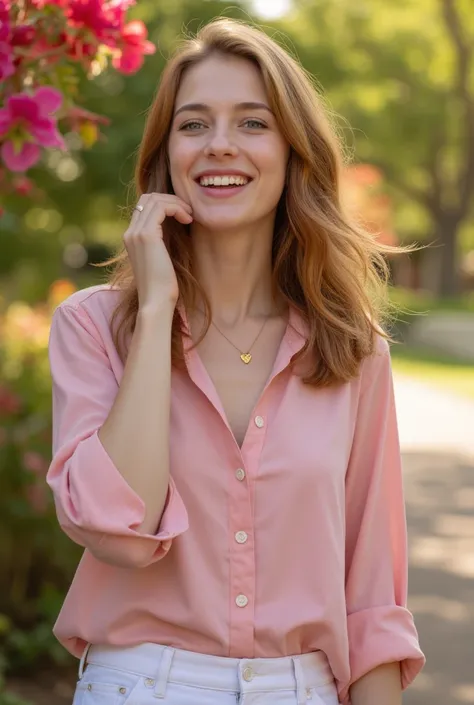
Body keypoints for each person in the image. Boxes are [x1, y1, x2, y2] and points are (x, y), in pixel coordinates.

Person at [46, 16, 425, 705]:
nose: (220, 145)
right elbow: (117, 531)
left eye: (252, 123)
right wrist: (156, 306)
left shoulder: (353, 350)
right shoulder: (94, 326)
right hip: (139, 685)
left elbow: (370, 601)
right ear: (167, 154)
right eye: (194, 125)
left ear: (292, 150)